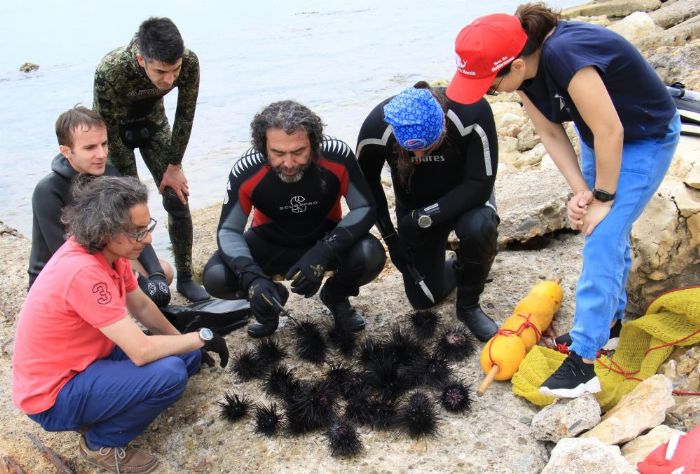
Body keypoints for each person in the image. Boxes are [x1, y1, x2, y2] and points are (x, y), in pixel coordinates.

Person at [447, 3, 680, 397]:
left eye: (489, 84)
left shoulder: (566, 55)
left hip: (643, 137)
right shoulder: (522, 73)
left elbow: (612, 130)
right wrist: (582, 192)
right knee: (602, 229)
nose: (489, 92)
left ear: (516, 65)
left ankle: (584, 363)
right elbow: (553, 135)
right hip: (598, 139)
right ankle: (611, 328)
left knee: (604, 234)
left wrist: (604, 198)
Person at [12, 176, 229, 474]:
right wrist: (201, 337)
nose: (148, 239)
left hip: (88, 362)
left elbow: (140, 305)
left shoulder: (111, 252)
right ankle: (101, 443)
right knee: (171, 372)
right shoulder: (83, 271)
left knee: (185, 355)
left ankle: (105, 406)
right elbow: (140, 351)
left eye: (147, 227)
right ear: (105, 230)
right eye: (138, 232)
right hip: (53, 395)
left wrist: (186, 342)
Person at [203, 100, 386, 337]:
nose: (289, 163)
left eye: (299, 152)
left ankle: (336, 296)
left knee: (371, 254)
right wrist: (253, 279)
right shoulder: (247, 169)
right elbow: (228, 231)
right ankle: (270, 302)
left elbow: (364, 207)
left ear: (314, 142)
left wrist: (325, 251)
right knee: (216, 276)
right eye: (278, 153)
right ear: (263, 147)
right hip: (270, 244)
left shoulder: (337, 156)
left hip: (326, 238)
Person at [356, 82, 499, 342]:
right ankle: (462, 266)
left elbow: (480, 185)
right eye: (410, 149)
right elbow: (367, 186)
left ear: (443, 124)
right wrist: (391, 239)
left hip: (466, 200)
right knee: (424, 299)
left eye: (428, 146)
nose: (418, 154)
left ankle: (469, 306)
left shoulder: (471, 113)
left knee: (480, 228)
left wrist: (423, 218)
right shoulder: (377, 126)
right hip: (413, 207)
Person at [93, 17, 209, 302]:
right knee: (131, 211)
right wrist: (130, 187)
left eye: (175, 70)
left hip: (153, 125)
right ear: (140, 58)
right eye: (160, 72)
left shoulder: (190, 63)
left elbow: (185, 113)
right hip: (115, 132)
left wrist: (174, 165)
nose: (169, 79)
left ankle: (184, 277)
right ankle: (148, 281)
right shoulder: (111, 70)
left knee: (176, 198)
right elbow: (106, 130)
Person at [28, 105, 173, 307]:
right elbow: (66, 256)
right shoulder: (48, 191)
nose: (102, 154)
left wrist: (156, 275)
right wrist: (135, 279)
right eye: (90, 148)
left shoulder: (110, 174)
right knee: (125, 285)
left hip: (102, 256)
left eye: (104, 144)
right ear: (66, 151)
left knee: (165, 271)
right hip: (60, 277)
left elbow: (137, 230)